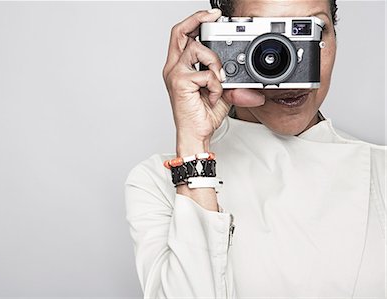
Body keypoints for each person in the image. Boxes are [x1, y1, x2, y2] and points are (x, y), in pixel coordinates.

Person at [124, 0, 386, 297]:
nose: (285, 60)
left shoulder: (383, 171)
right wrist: (194, 144)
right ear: (220, 41)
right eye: (263, 34)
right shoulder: (157, 182)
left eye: (309, 31)